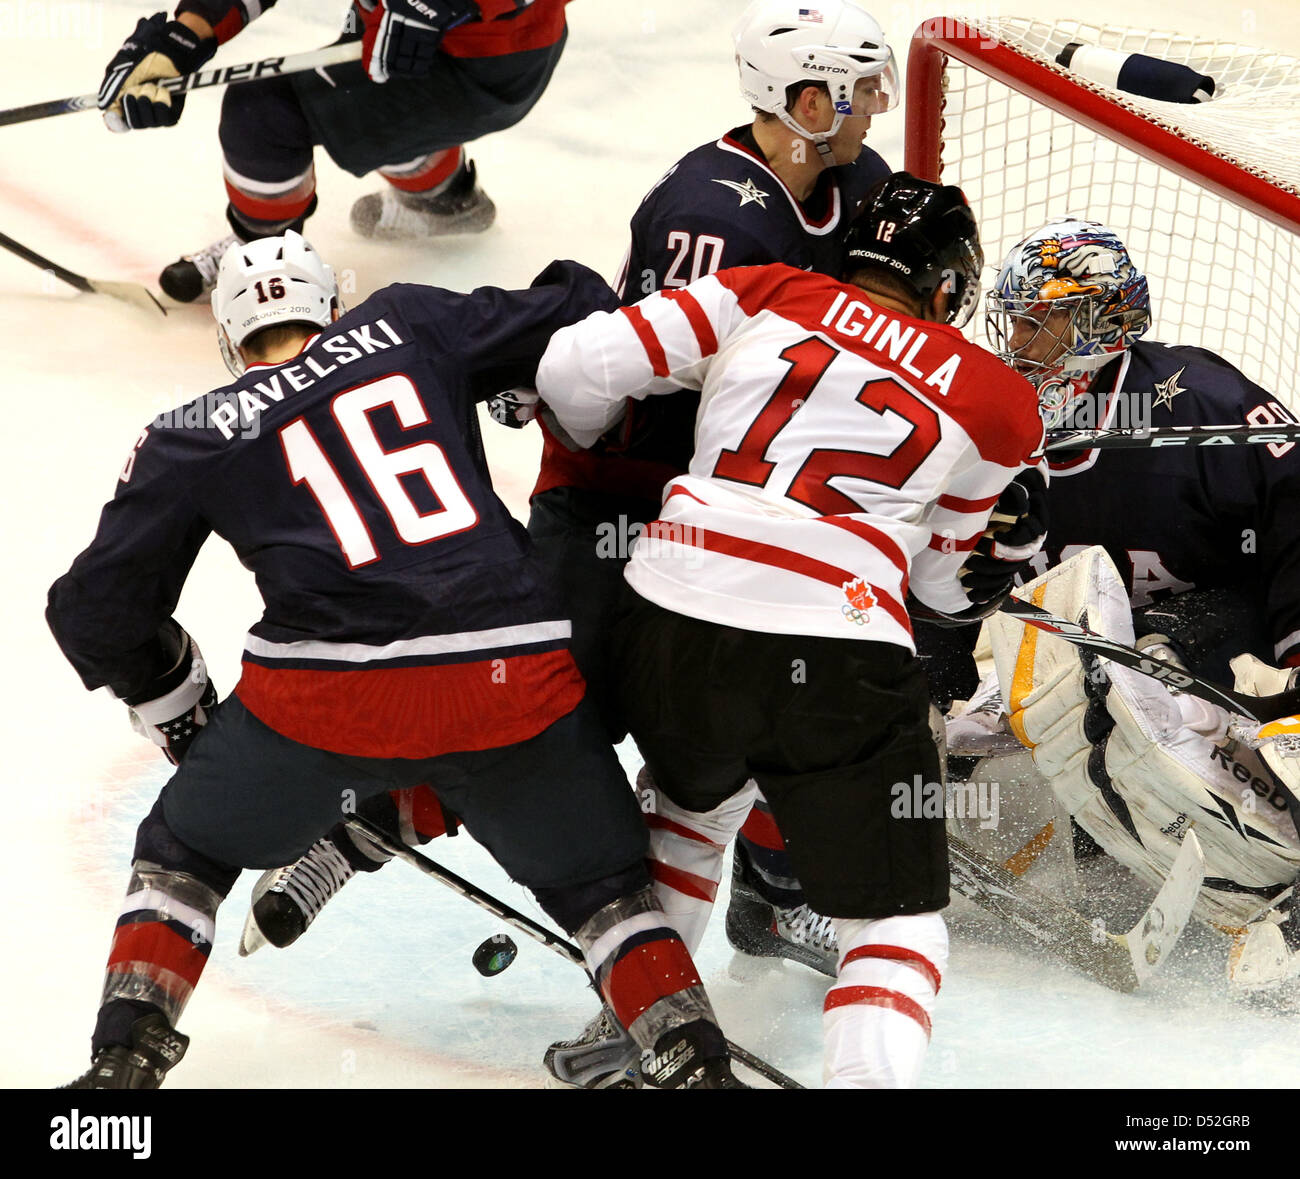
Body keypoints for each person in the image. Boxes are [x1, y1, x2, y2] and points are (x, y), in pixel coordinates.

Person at [235, 0, 902, 1053]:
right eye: (864, 88)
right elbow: (662, 384)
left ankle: (772, 893)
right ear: (807, 101)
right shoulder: (712, 213)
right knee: (541, 713)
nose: (881, 104)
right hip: (623, 493)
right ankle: (351, 833)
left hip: (737, 505)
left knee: (784, 684)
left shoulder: (862, 190)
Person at [48, 231, 740, 1089]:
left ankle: (121, 1067)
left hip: (327, 696)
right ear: (332, 308)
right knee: (606, 893)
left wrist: (175, 702)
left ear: (230, 343)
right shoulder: (406, 322)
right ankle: (698, 1065)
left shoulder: (193, 430)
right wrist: (526, 382)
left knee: (183, 852)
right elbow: (576, 302)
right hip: (509, 670)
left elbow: (94, 609)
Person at [534, 173, 1047, 1087]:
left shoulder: (767, 287)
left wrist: (599, 448)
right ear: (945, 290)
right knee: (895, 923)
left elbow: (570, 369)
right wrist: (998, 538)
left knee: (688, 813)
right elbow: (935, 584)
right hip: (835, 641)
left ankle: (634, 1020)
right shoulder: (999, 399)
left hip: (666, 614)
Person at [954, 217, 1300, 985]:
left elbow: (1295, 517)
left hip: (1222, 640)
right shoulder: (999, 419)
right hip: (1096, 648)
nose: (1015, 341)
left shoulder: (1199, 402)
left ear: (1100, 323)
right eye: (1012, 321)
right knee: (1003, 715)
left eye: (1037, 323)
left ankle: (1271, 895)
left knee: (1141, 676)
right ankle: (1122, 858)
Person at [96, 0, 567, 301]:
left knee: (262, 113)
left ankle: (269, 271)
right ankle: (447, 200)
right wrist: (184, 37)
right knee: (370, 115)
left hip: (481, 65)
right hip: (405, 34)